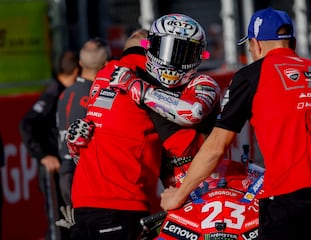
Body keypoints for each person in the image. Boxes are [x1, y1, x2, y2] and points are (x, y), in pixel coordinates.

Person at [160, 7, 311, 240]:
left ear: (256, 44)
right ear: (291, 42)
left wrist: (179, 194)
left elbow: (215, 148)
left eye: (250, 47)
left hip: (289, 200)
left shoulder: (252, 74)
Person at [66, 14, 221, 240]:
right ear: (152, 49)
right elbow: (109, 142)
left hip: (205, 188)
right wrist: (76, 145)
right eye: (167, 49)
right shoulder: (125, 78)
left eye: (183, 52)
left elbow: (194, 112)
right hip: (167, 196)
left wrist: (138, 87)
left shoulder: (202, 82)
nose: (173, 60)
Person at [19, 50, 80, 240]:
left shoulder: (64, 91)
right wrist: (43, 155)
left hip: (66, 167)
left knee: (72, 221)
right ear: (77, 71)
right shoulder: (54, 93)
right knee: (58, 224)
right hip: (53, 170)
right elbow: (27, 123)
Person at [56, 37, 111, 207]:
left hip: (65, 175)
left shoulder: (66, 92)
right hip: (86, 178)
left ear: (80, 62)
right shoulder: (101, 95)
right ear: (107, 63)